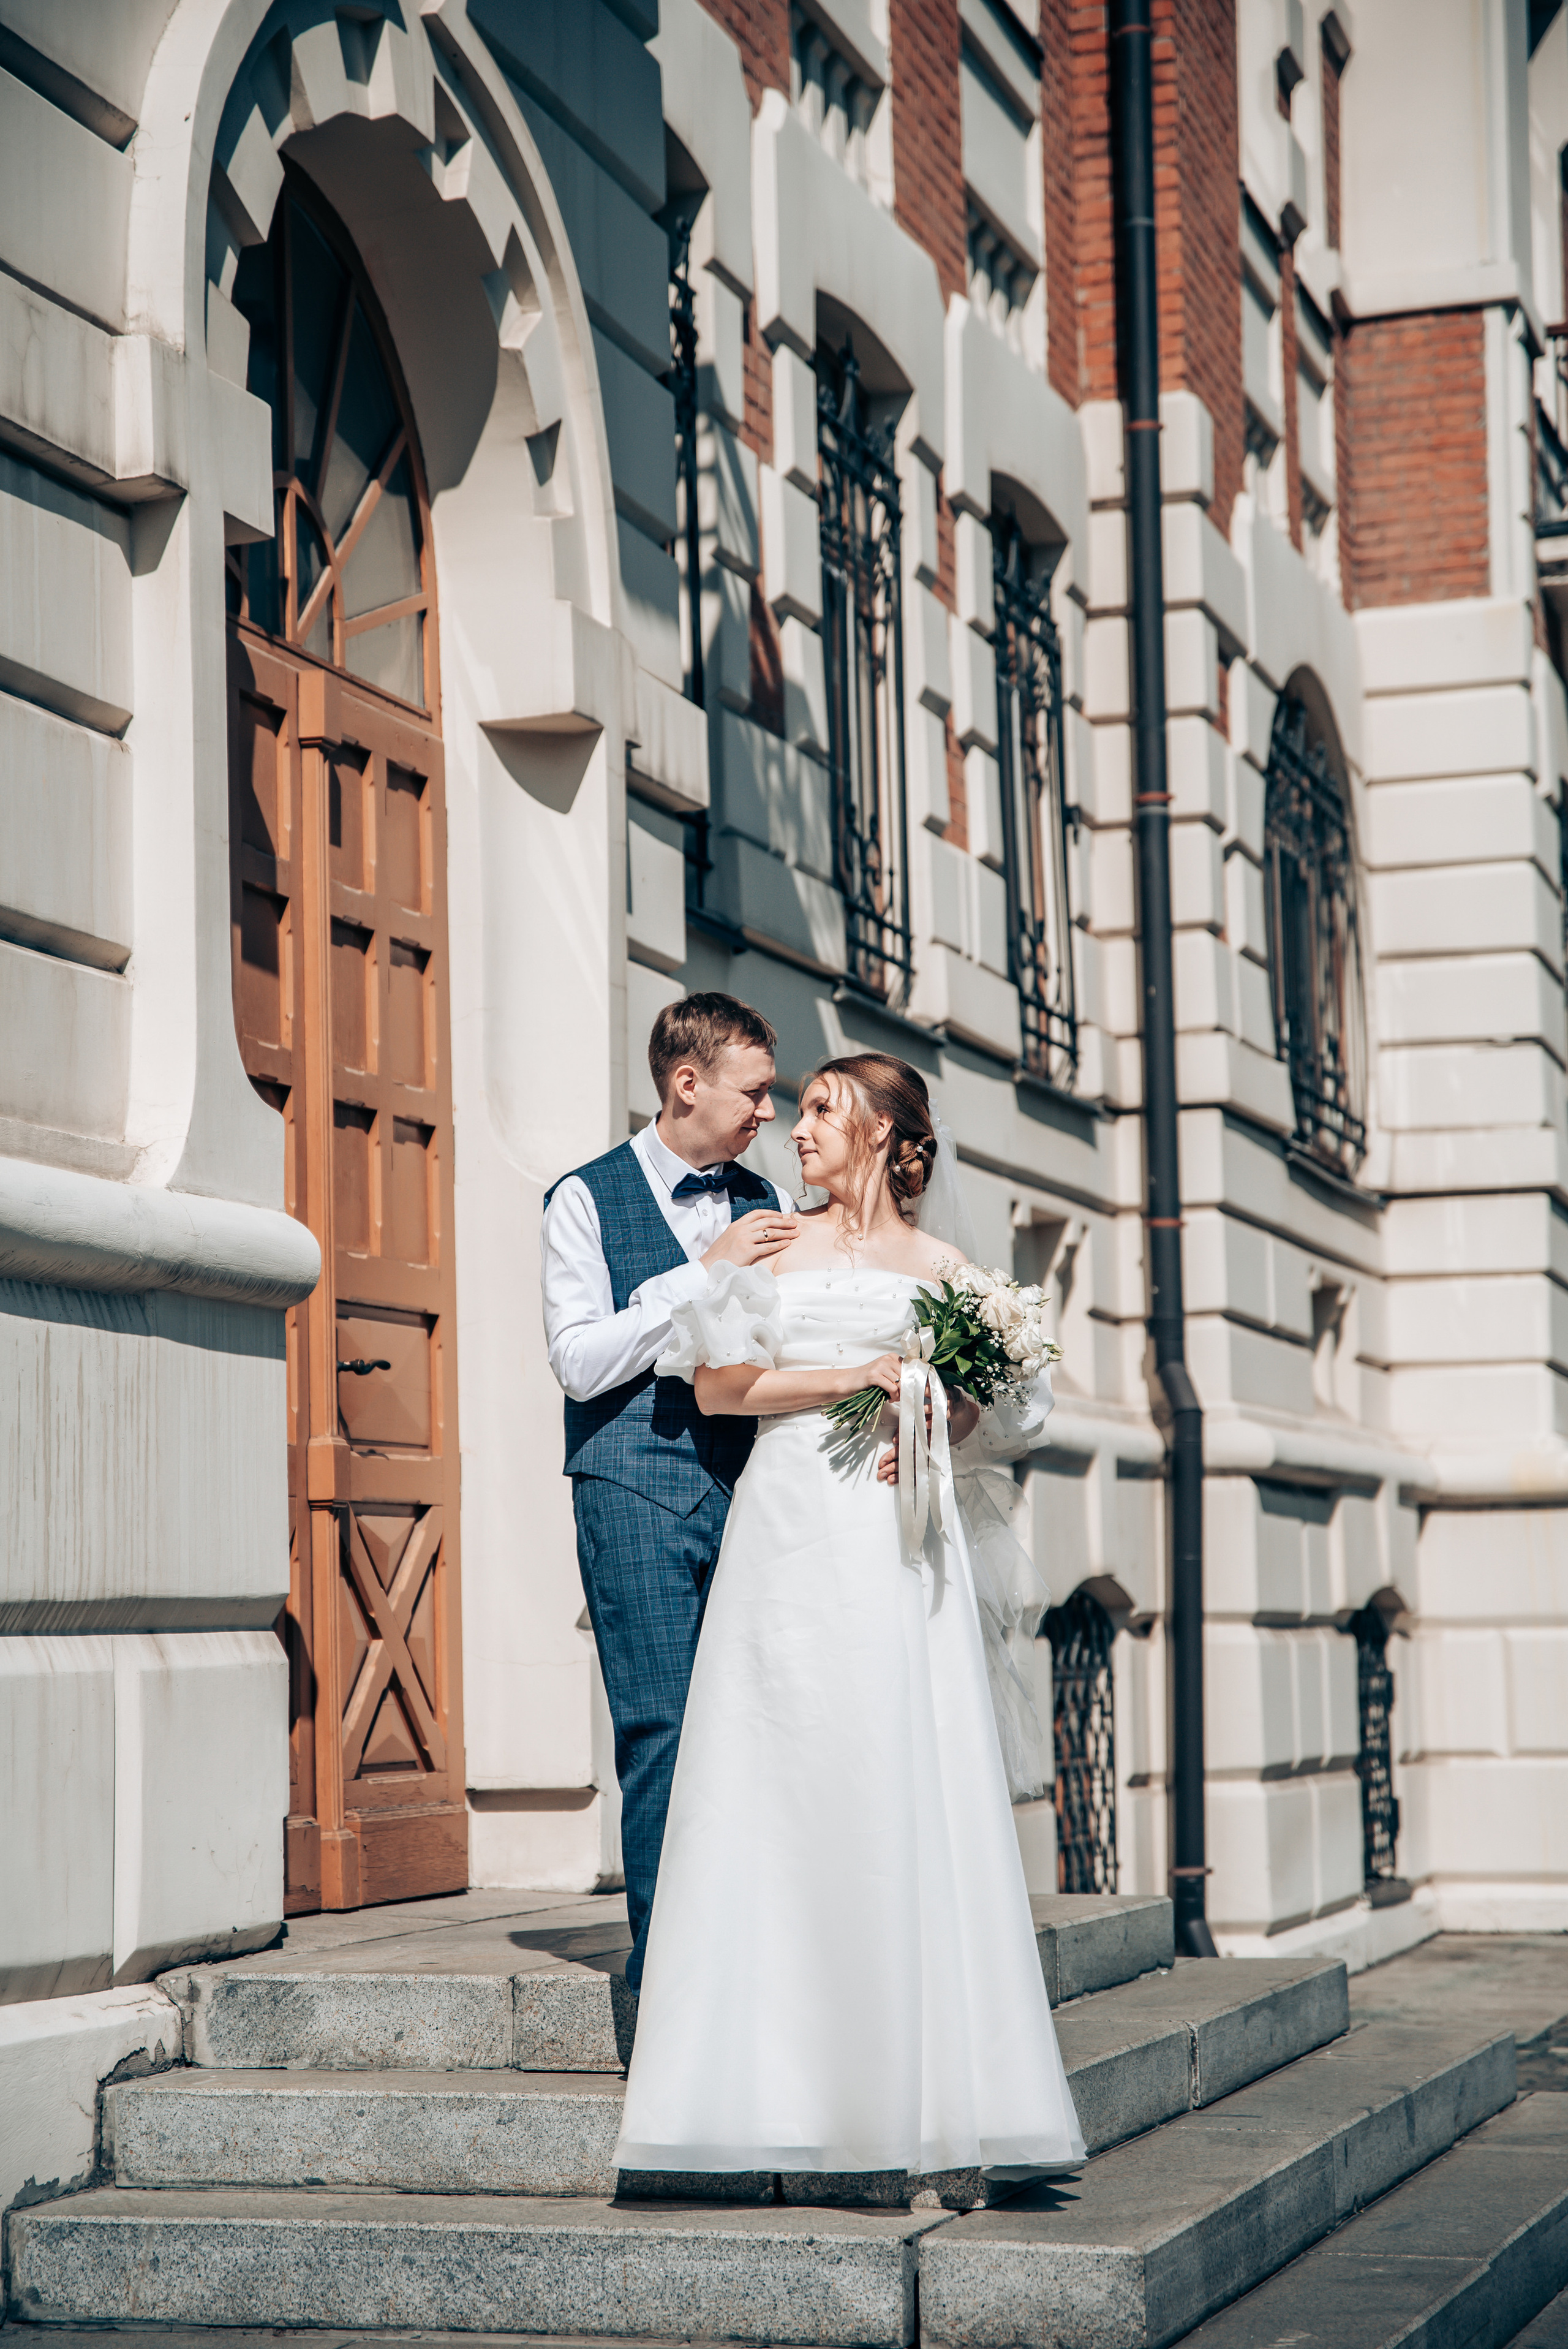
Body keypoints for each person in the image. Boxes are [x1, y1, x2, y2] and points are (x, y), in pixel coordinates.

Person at [614, 1051, 1085, 2195]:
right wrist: (856, 1378)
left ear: (882, 1130)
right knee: (775, 1780)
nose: (799, 1128)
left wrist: (935, 1399)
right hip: (784, 1533)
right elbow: (722, 1389)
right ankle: (764, 2089)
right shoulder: (769, 1243)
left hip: (894, 1540)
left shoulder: (946, 1267)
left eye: (824, 1109)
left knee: (892, 1777)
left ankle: (915, 2099)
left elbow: (1003, 1408)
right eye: (800, 1107)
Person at [540, 993, 798, 1991]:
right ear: (686, 1083)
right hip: (633, 1494)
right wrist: (698, 1274)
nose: (768, 1114)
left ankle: (759, 1967)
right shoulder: (583, 1198)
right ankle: (673, 1988)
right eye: (756, 1091)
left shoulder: (763, 1198)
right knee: (664, 1735)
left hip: (754, 1493)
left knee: (758, 1732)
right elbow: (578, 1360)